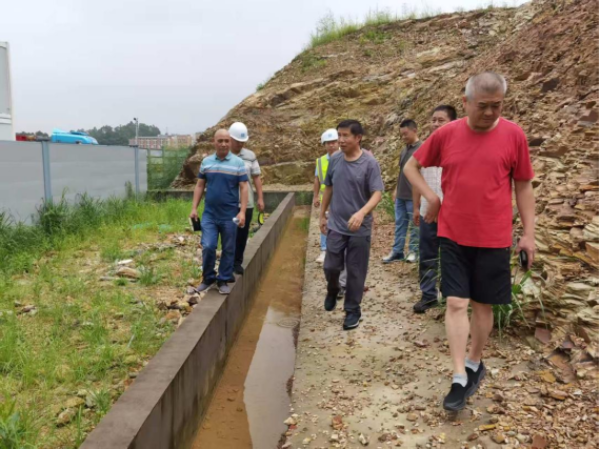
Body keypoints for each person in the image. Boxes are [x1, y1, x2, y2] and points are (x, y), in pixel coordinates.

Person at [404, 72, 535, 412]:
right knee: (456, 303)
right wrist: (432, 198)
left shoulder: (514, 135)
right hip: (453, 234)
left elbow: (523, 185)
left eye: (497, 106)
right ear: (465, 102)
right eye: (483, 106)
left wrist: (529, 234)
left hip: (494, 237)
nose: (490, 113)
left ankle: (475, 361)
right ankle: (459, 374)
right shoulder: (446, 134)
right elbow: (411, 168)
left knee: (483, 305)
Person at [320, 120, 384, 330]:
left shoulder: (369, 163)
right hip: (336, 225)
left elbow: (377, 193)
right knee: (330, 266)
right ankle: (333, 289)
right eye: (339, 135)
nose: (340, 140)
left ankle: (352, 310)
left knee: (356, 272)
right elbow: (329, 187)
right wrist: (322, 215)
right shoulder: (335, 159)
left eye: (345, 135)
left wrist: (362, 213)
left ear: (358, 138)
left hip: (359, 228)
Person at [190, 129, 249, 295]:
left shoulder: (238, 163)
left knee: (229, 247)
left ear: (230, 142)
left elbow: (244, 187)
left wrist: (242, 212)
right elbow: (200, 185)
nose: (223, 144)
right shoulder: (206, 162)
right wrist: (194, 208)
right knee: (208, 246)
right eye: (220, 141)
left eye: (226, 141)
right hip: (210, 214)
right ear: (214, 142)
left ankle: (223, 279)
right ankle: (208, 278)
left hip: (230, 214)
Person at [412, 105, 457, 313]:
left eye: (441, 120)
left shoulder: (460, 148)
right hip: (427, 212)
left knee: (451, 255)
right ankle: (428, 295)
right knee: (427, 253)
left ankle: (449, 295)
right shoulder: (426, 148)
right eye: (434, 120)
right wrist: (415, 207)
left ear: (453, 122)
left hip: (452, 214)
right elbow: (415, 178)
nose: (436, 124)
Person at [228, 122, 265, 275]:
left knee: (242, 233)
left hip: (246, 203)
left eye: (242, 141)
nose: (240, 144)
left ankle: (237, 262)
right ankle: (228, 262)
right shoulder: (224, 155)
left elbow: (256, 178)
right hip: (229, 203)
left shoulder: (250, 156)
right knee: (229, 232)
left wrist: (260, 198)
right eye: (237, 141)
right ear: (230, 139)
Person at [383, 119, 421, 264]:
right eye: (401, 135)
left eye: (406, 134)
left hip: (414, 196)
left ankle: (413, 251)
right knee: (400, 224)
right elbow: (401, 172)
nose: (403, 137)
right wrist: (396, 190)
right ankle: (397, 251)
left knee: (415, 225)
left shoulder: (422, 148)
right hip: (401, 195)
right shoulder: (404, 150)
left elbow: (421, 173)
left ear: (414, 130)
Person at [313, 128, 340, 264]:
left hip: (342, 195)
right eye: (328, 143)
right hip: (327, 196)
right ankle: (325, 250)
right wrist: (316, 196)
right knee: (325, 221)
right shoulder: (320, 161)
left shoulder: (345, 157)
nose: (331, 145)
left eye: (334, 142)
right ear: (324, 144)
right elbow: (317, 179)